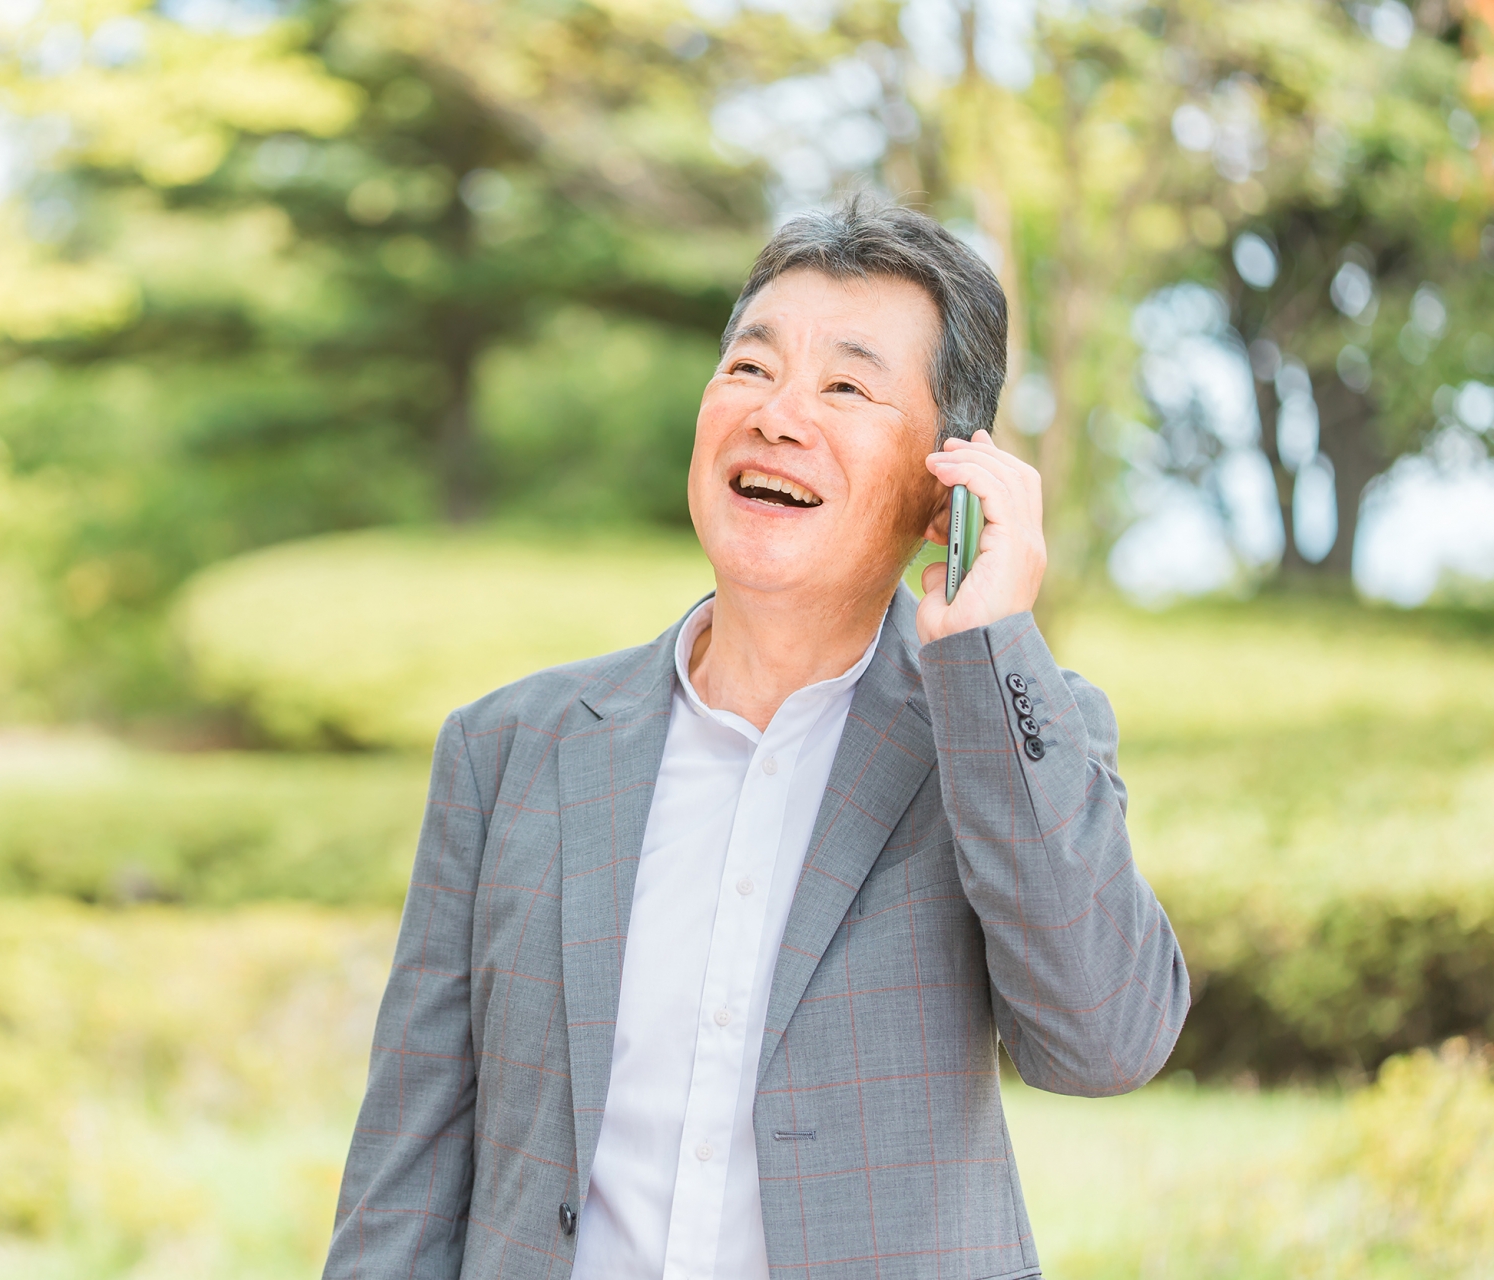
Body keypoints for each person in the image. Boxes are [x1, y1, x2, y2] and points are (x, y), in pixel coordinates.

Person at [322, 194, 1190, 1280]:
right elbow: (403, 1178)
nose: (779, 414)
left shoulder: (1003, 735)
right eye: (750, 367)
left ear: (947, 485)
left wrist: (991, 646)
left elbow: (1103, 1041)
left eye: (847, 385)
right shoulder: (507, 751)